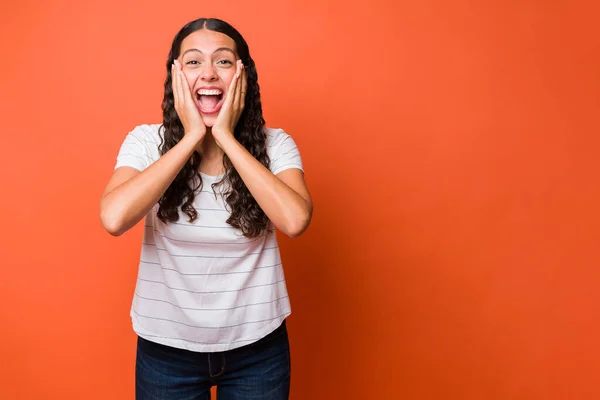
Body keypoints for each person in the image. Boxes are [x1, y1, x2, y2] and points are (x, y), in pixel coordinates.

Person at [100, 17, 312, 400]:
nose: (209, 73)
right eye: (194, 62)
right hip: (166, 351)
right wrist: (194, 134)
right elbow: (114, 218)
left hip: (258, 349)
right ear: (176, 75)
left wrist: (227, 138)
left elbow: (295, 220)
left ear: (242, 75)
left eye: (224, 61)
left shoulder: (276, 145)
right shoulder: (147, 141)